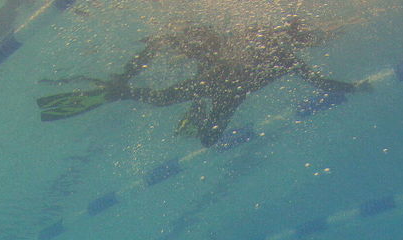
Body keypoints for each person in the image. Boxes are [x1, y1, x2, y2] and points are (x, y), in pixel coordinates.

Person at [37, 16, 368, 146]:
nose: (302, 41)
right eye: (303, 36)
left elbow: (319, 81)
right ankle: (120, 91)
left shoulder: (288, 57)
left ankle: (194, 113)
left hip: (232, 94)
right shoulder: (259, 36)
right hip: (213, 81)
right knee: (164, 97)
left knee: (209, 141)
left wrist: (354, 87)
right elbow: (213, 46)